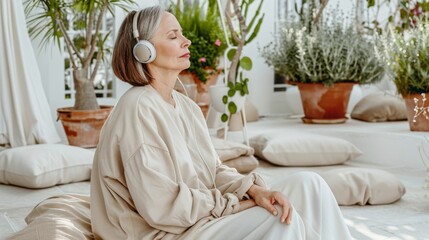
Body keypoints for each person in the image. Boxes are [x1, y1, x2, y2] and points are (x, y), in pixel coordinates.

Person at [90, 5, 353, 240]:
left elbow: (212, 170)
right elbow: (162, 207)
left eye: (182, 34)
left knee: (310, 184)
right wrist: (237, 204)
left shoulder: (187, 106)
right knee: (277, 217)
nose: (187, 41)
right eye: (173, 36)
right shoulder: (137, 108)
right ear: (143, 51)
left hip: (197, 221)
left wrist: (252, 189)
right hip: (164, 232)